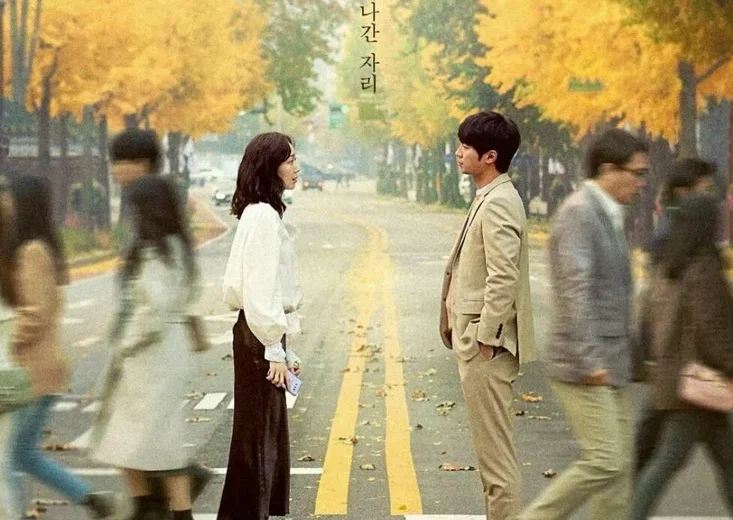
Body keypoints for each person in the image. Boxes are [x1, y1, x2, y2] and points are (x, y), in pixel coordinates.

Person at [517, 129, 648, 520]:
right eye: (636, 173)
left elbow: (615, 295)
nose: (642, 183)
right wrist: (590, 359)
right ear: (608, 170)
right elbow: (575, 291)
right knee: (606, 460)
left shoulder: (608, 213)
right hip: (583, 363)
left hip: (613, 360)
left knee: (619, 472)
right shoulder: (580, 213)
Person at [90, 130, 204, 520]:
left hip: (151, 356)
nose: (117, 171)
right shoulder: (173, 245)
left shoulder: (157, 249)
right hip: (160, 354)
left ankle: (157, 506)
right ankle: (152, 504)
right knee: (142, 438)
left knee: (146, 438)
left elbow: (152, 310)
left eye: (123, 162)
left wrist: (123, 342)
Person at [439, 111, 536, 520]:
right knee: (490, 457)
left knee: (496, 461)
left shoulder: (499, 203)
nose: (458, 152)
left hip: (486, 348)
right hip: (478, 342)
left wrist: (486, 338)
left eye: (466, 147)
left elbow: (503, 275)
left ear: (490, 156)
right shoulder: (488, 196)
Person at [2, 175, 117, 519]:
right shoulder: (37, 248)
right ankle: (90, 499)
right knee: (22, 455)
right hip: (40, 370)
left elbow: (36, 312)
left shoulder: (32, 252)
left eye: (10, 198)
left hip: (32, 371)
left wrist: (8, 339)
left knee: (8, 458)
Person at [631, 194, 733, 519]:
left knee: (725, 459)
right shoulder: (704, 268)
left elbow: (648, 317)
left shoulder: (668, 264)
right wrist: (730, 364)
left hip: (676, 380)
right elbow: (712, 328)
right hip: (696, 385)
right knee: (668, 460)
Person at [219, 132, 303, 520]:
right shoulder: (264, 217)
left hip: (259, 333)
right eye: (289, 160)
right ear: (270, 168)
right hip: (258, 336)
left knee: (258, 437)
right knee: (257, 439)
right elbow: (259, 289)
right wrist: (274, 348)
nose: (296, 167)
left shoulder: (261, 213)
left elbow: (271, 288)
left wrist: (284, 346)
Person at [635, 158, 717, 474]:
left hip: (675, 357)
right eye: (705, 189)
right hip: (682, 357)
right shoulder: (677, 230)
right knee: (664, 447)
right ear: (684, 191)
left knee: (656, 432)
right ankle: (628, 491)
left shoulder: (674, 225)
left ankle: (629, 487)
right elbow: (664, 298)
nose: (711, 197)